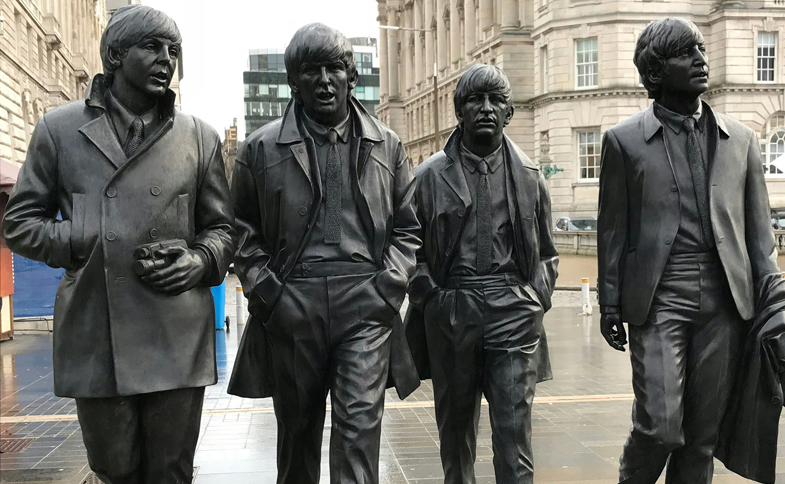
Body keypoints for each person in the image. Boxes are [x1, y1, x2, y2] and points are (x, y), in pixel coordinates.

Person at [1, 5, 234, 483]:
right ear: (114, 55)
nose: (166, 59)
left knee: (170, 471)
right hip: (96, 329)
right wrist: (81, 235)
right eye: (151, 47)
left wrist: (200, 259)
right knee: (114, 468)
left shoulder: (199, 137)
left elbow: (224, 230)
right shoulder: (58, 130)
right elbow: (19, 223)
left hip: (175, 331)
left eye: (173, 50)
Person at [597, 17, 785, 483]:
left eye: (701, 49)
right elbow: (612, 230)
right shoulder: (623, 141)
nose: (700, 59)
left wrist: (779, 307)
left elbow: (760, 240)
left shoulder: (741, 140)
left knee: (701, 439)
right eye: (685, 52)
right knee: (659, 428)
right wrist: (609, 302)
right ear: (656, 70)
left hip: (725, 302)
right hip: (659, 299)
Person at [227, 23, 421, 484]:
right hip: (294, 301)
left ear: (351, 76)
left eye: (335, 68)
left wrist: (388, 287)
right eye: (311, 70)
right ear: (293, 81)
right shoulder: (259, 149)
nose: (325, 80)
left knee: (359, 437)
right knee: (297, 442)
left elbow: (409, 228)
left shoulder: (387, 146)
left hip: (365, 303)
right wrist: (270, 294)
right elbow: (239, 231)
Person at [405, 64, 558, 484]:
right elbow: (407, 247)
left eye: (496, 101)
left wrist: (535, 298)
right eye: (476, 100)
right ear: (459, 112)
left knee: (515, 436)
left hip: (514, 309)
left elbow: (547, 251)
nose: (487, 108)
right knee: (456, 438)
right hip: (453, 307)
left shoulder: (529, 176)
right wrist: (431, 298)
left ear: (509, 113)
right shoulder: (428, 176)